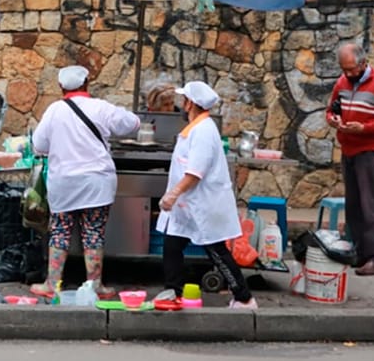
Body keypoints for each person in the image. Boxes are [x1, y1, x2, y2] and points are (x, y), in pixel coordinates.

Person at [29, 65, 141, 299]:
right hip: (97, 182)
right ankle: (95, 285)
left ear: (61, 87)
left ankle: (52, 284)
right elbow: (133, 124)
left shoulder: (54, 111)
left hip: (64, 183)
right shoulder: (101, 108)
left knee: (60, 231)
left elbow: (38, 145)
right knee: (94, 233)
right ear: (87, 83)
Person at [157, 81, 256, 309]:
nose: (181, 103)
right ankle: (173, 290)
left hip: (202, 204)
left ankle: (244, 298)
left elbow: (195, 172)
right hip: (188, 205)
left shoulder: (203, 132)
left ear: (190, 103)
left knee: (216, 250)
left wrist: (173, 194)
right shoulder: (195, 128)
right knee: (172, 243)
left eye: (184, 99)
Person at [326, 43, 374, 276]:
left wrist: (363, 128)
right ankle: (358, 251)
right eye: (343, 69)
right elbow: (331, 110)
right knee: (354, 205)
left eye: (351, 69)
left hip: (368, 149)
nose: (347, 74)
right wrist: (334, 120)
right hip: (348, 148)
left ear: (363, 63)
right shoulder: (341, 83)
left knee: (369, 205)